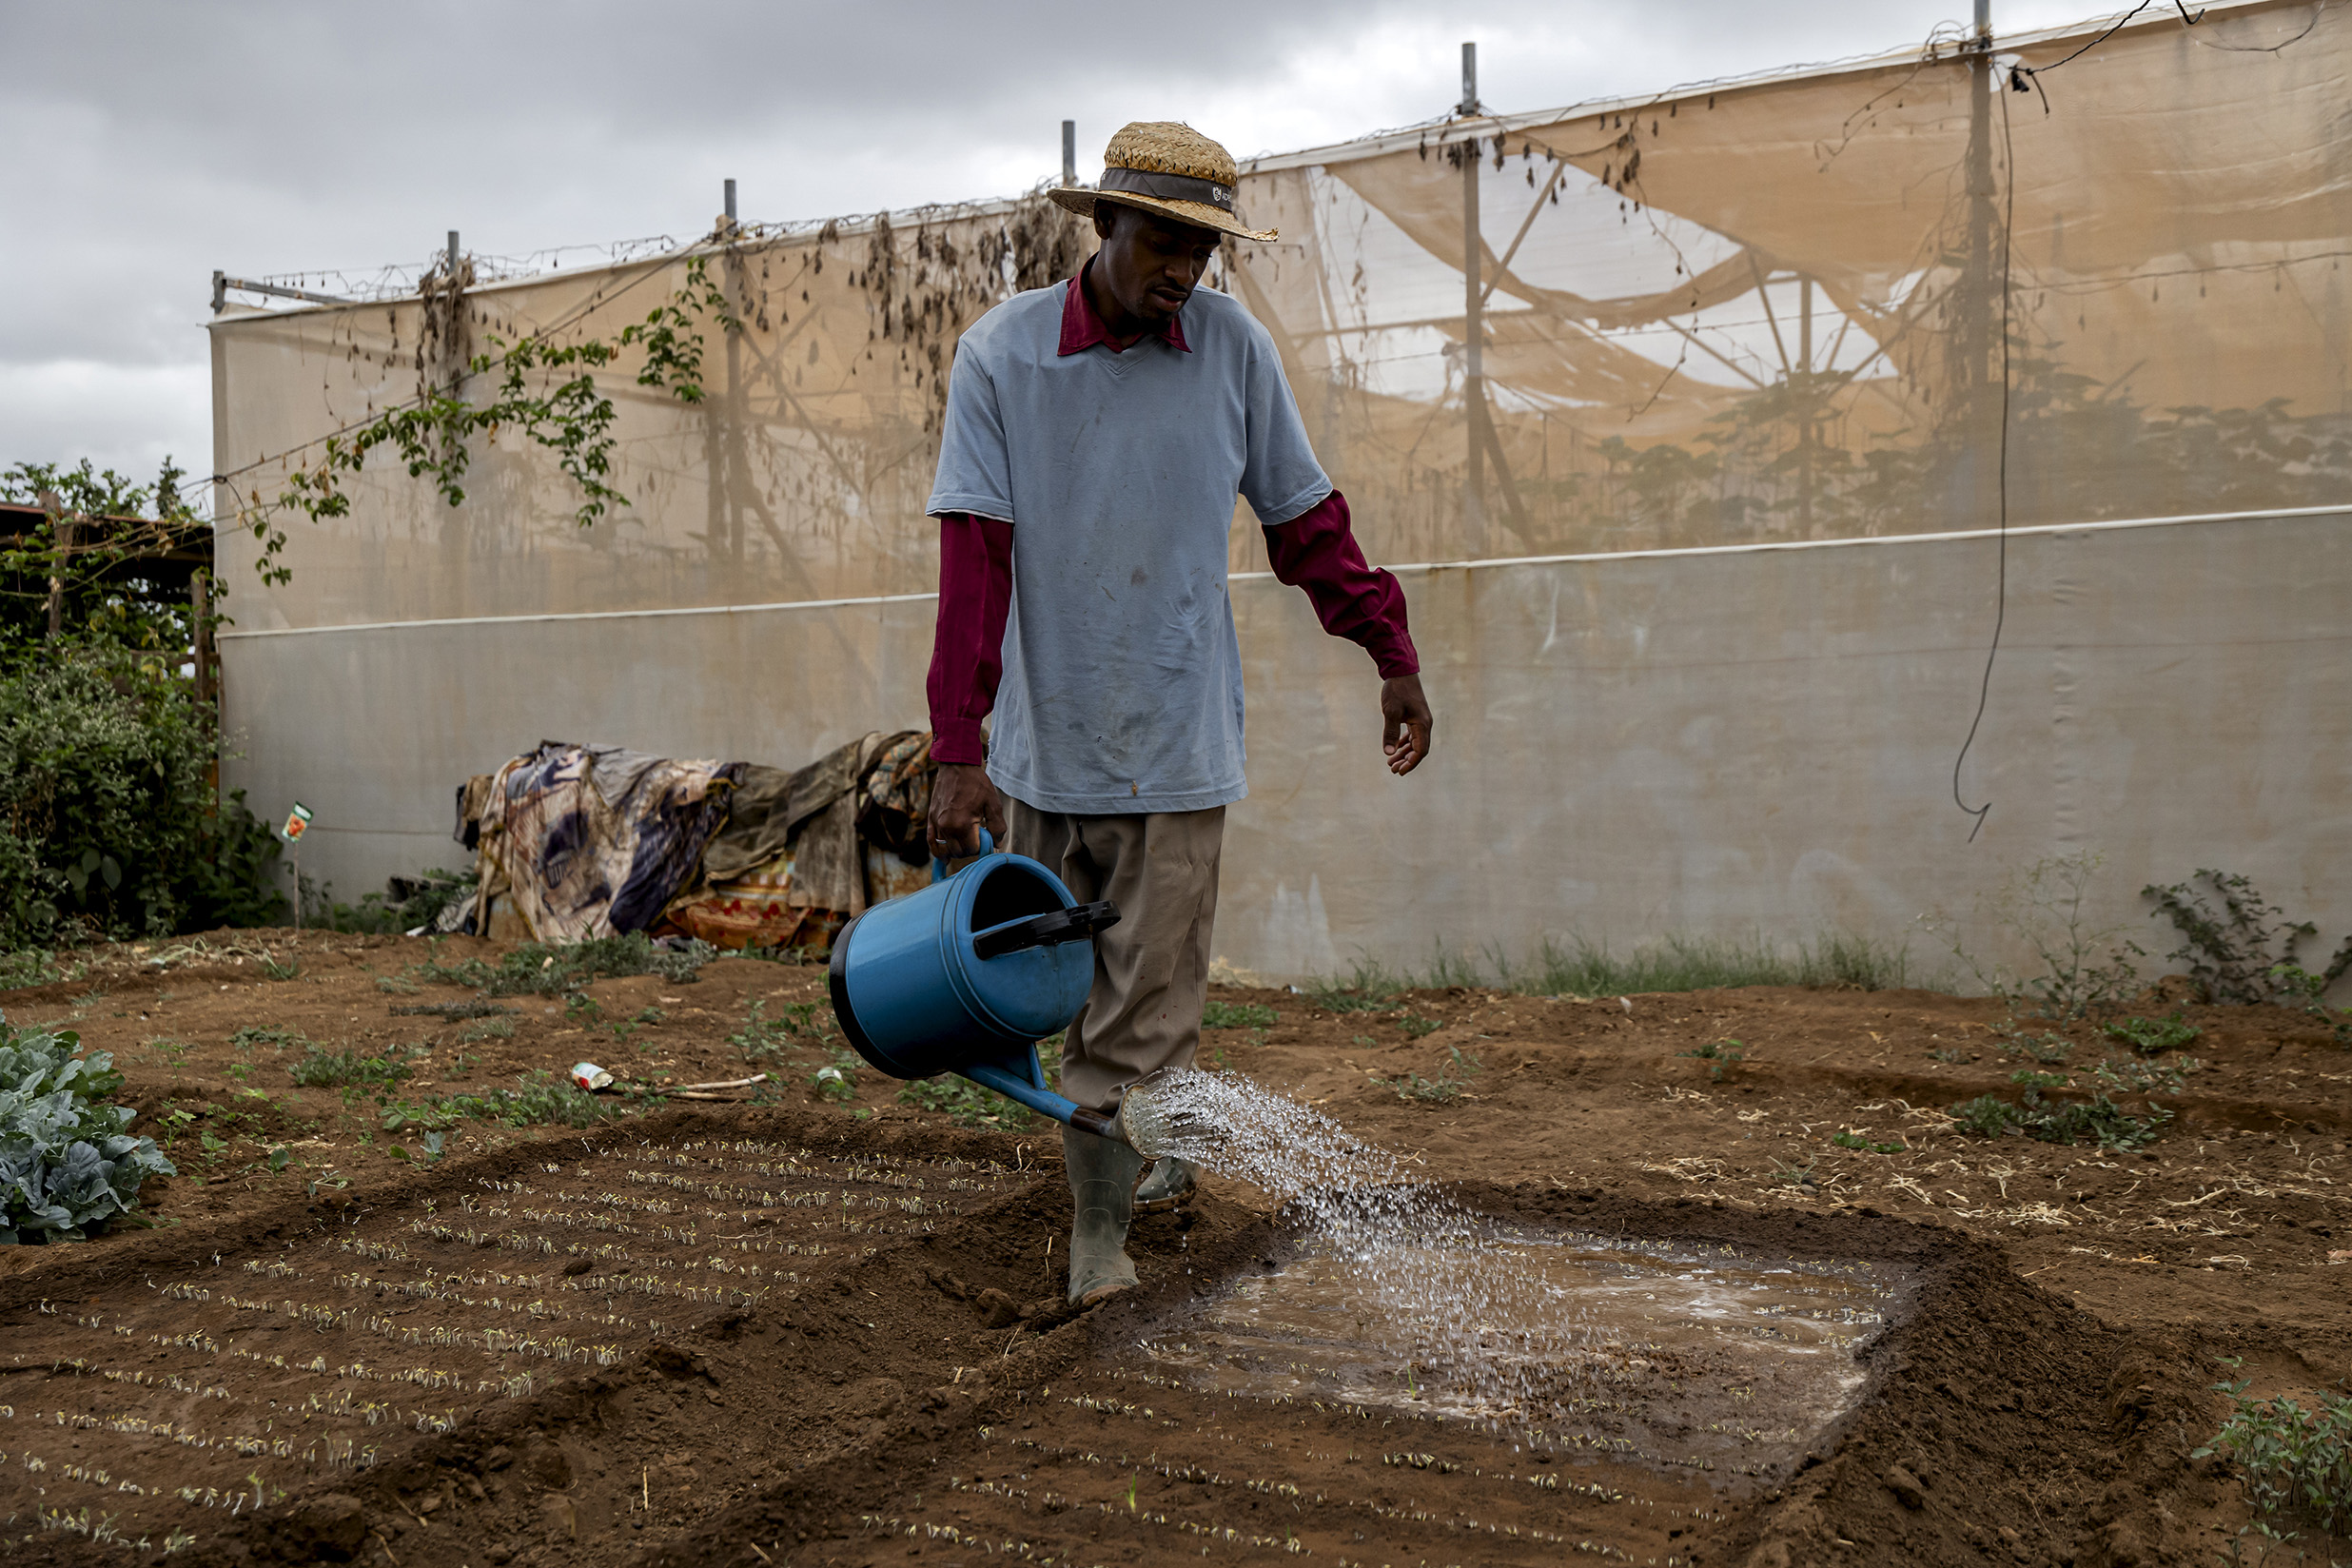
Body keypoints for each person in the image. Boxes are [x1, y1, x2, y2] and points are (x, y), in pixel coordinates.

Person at [923, 121, 1433, 1306]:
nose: (1184, 271)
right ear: (1103, 225)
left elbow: (1306, 523)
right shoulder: (1002, 358)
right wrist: (961, 751)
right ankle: (1149, 1152)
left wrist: (1387, 647)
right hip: (1046, 753)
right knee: (1050, 993)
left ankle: (1099, 1245)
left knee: (1146, 1012)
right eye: (1164, 241)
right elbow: (976, 564)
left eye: (1202, 250)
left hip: (1177, 749)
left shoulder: (1231, 352)